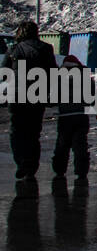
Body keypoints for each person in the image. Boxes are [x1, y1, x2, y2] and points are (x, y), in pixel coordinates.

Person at [3, 20, 56, 181]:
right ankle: (31, 166)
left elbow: (4, 73)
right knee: (33, 133)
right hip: (37, 96)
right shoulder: (46, 48)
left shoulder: (13, 49)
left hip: (16, 96)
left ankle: (21, 162)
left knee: (16, 132)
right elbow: (53, 72)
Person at [52, 54, 90, 180]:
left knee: (62, 145)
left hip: (65, 117)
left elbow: (52, 99)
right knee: (80, 145)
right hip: (81, 116)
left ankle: (59, 170)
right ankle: (81, 171)